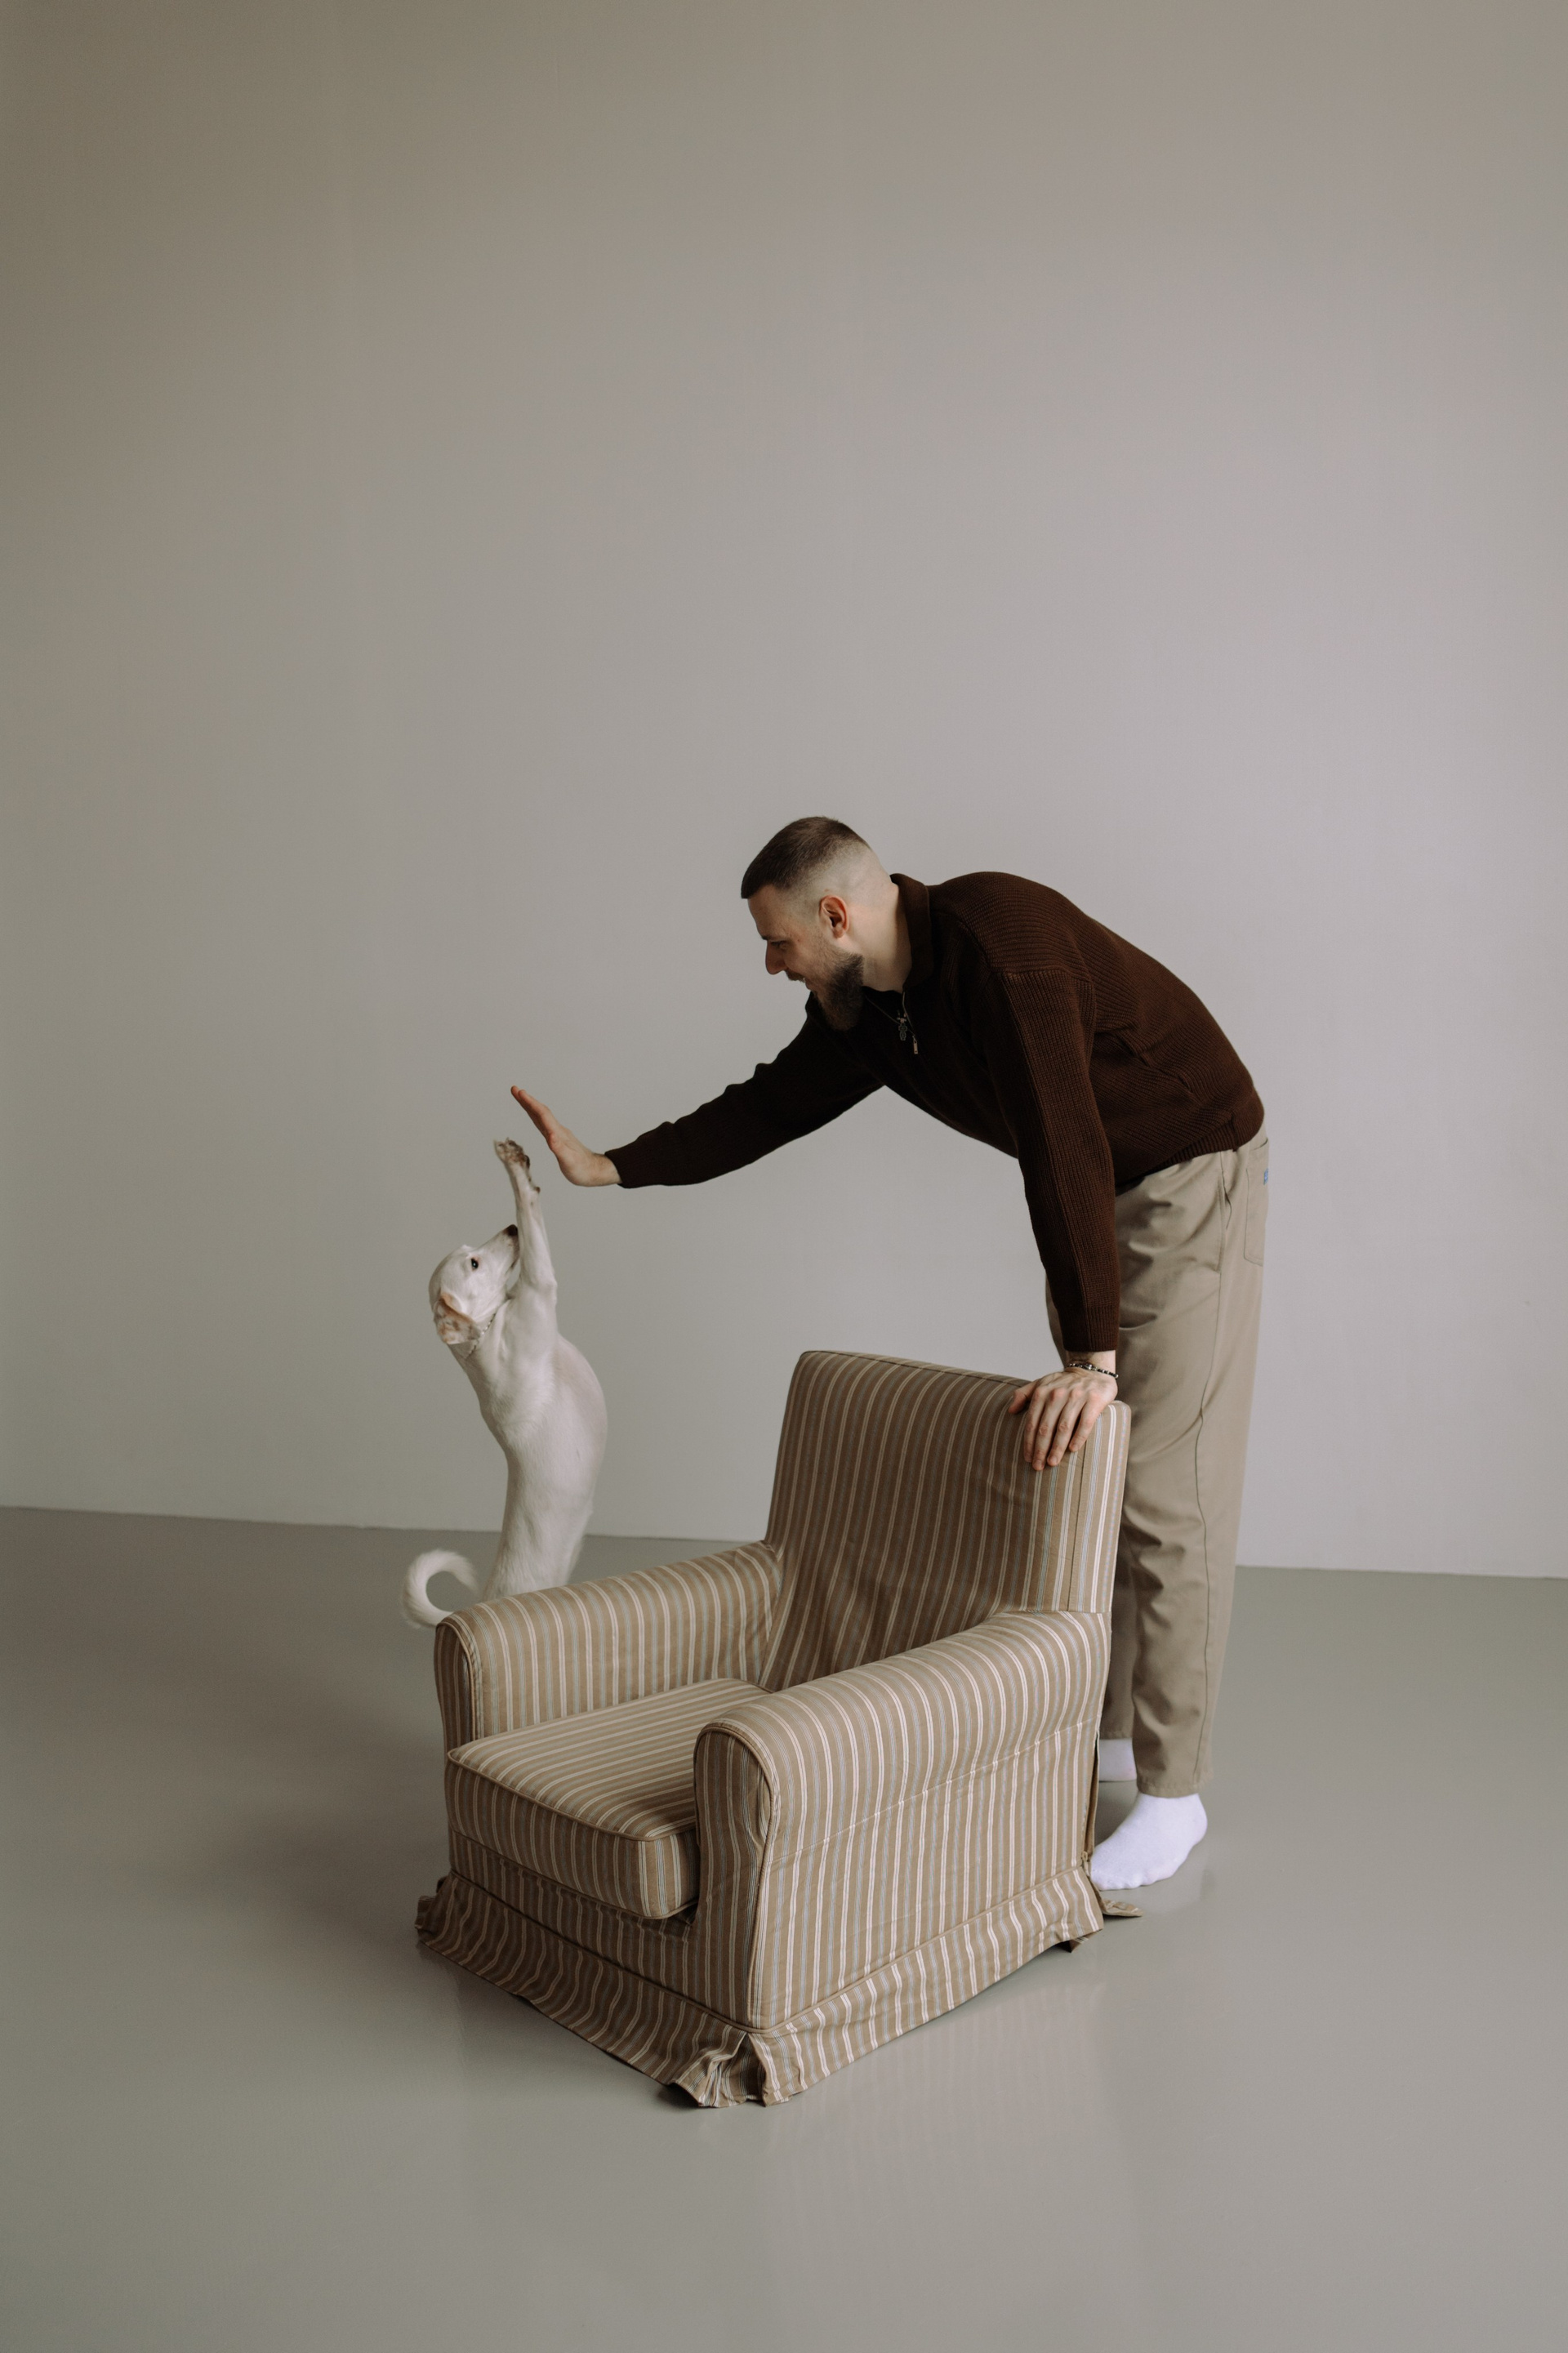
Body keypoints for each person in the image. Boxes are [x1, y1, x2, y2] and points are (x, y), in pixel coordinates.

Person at [511, 818, 1267, 1891]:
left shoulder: (1001, 950)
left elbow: (1060, 1138)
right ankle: (1110, 1735)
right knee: (1102, 1476)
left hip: (1191, 1172)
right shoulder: (864, 1007)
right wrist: (613, 1166)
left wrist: (1093, 1360)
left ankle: (1175, 1791)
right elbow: (768, 1106)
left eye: (778, 942)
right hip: (1100, 1197)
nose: (772, 965)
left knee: (1164, 1493)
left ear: (835, 916)